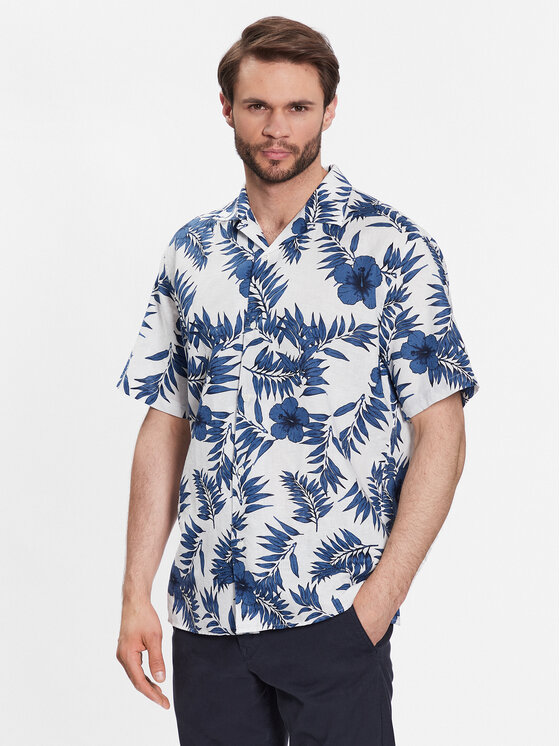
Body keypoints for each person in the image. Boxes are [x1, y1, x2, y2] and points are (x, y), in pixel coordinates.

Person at [115, 15, 480, 746]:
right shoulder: (191, 252)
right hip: (207, 617)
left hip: (334, 615)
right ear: (227, 108)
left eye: (298, 107)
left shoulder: (392, 247)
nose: (277, 128)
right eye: (258, 106)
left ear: (329, 110)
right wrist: (135, 595)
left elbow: (441, 432)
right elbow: (166, 421)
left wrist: (378, 603)